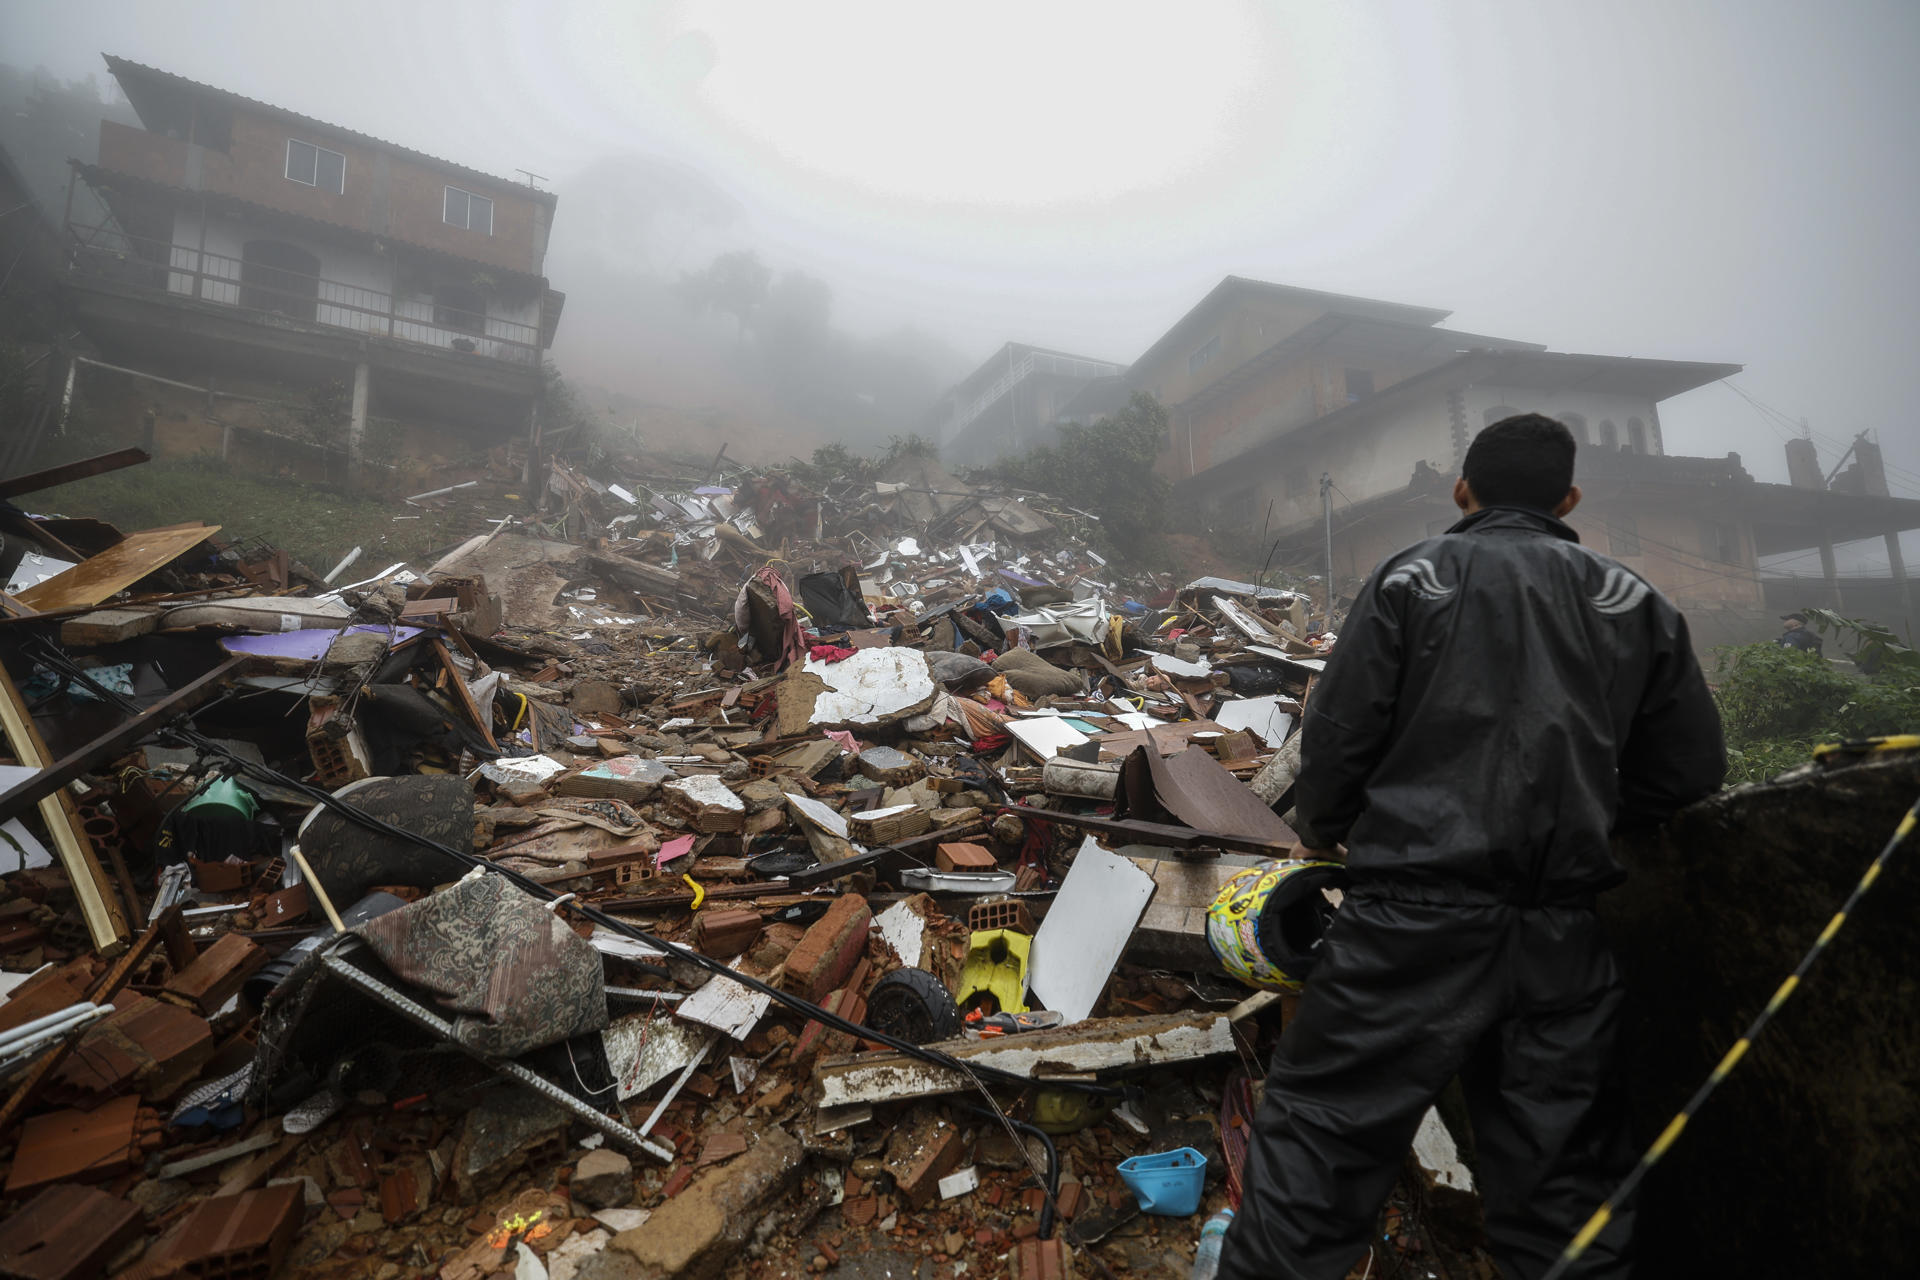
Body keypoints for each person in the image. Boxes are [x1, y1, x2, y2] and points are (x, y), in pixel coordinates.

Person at [1221, 414, 1726, 1280]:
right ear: (1568, 499)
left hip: (1406, 926)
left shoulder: (1414, 579)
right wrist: (1589, 813)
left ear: (1463, 490)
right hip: (1559, 937)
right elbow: (1689, 771)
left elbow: (1337, 733)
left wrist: (1327, 827)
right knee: (1566, 1186)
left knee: (1319, 1150)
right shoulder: (1633, 600)